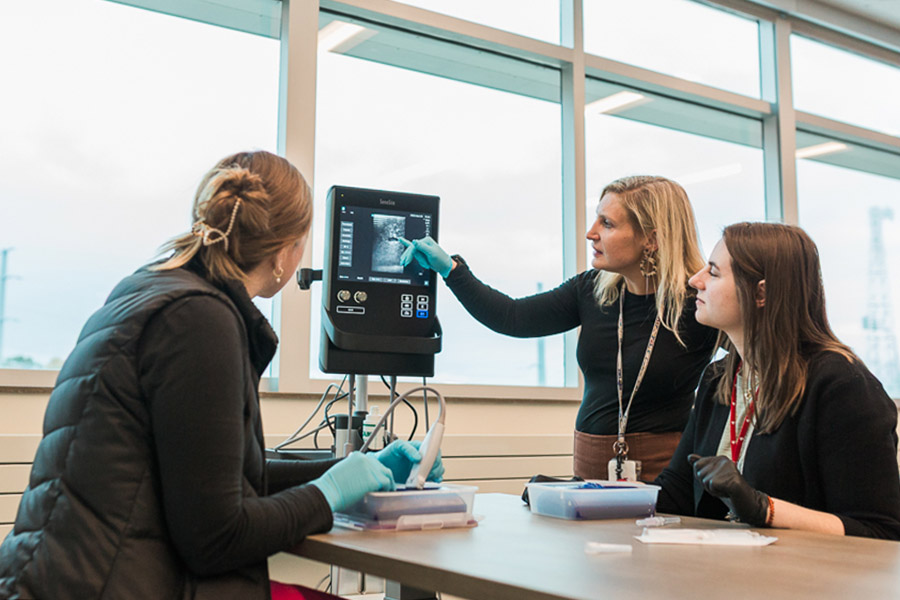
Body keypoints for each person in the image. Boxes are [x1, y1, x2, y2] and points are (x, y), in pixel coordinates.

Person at [0, 150, 443, 600]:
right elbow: (216, 538)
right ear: (285, 253)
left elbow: (213, 480)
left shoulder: (151, 292)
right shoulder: (199, 321)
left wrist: (353, 468)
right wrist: (328, 494)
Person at [400, 176, 717, 481]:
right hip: (590, 469)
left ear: (651, 239)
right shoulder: (592, 290)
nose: (591, 233)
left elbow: (757, 353)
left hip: (665, 472)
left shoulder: (698, 303)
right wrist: (451, 270)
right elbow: (513, 317)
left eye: (607, 224)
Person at [654, 222, 900, 539]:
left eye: (713, 273)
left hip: (806, 583)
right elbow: (675, 493)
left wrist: (764, 509)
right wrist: (593, 492)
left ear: (761, 293)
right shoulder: (718, 378)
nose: (694, 280)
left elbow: (881, 531)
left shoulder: (842, 385)